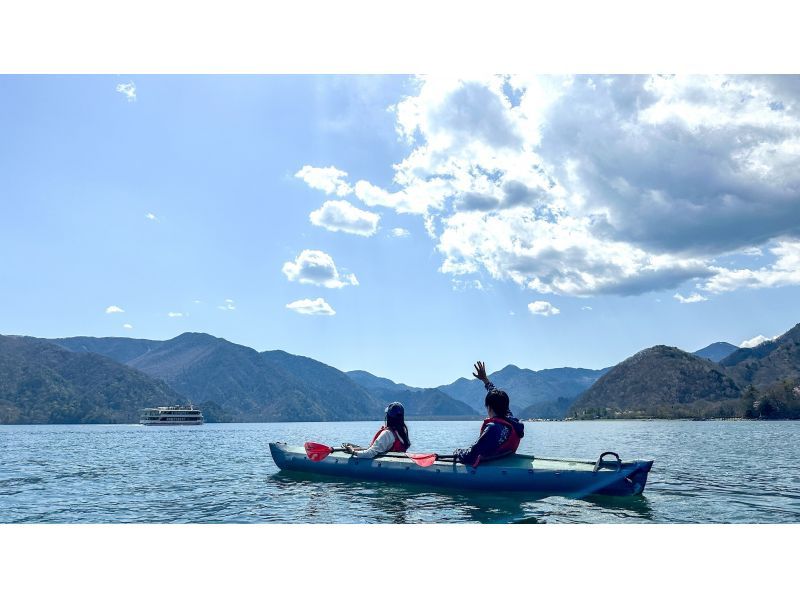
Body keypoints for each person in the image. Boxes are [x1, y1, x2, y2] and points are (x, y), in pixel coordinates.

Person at [453, 361, 525, 467]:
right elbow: (494, 392)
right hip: (505, 458)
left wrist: (457, 452)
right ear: (506, 405)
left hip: (493, 464)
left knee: (462, 453)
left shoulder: (493, 428)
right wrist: (485, 380)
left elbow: (471, 455)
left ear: (489, 407)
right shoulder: (511, 418)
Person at [343, 402, 411, 459]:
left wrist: (353, 451)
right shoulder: (402, 432)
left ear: (388, 416)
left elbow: (370, 453)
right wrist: (358, 448)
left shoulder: (387, 434)